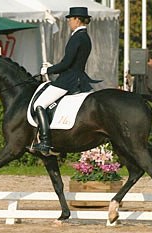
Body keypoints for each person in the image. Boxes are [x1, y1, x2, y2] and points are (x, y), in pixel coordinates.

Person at [30, 7, 100, 155]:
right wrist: (54, 67)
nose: (68, 22)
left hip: (69, 80)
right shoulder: (85, 36)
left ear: (77, 19)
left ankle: (45, 142)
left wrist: (48, 70)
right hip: (78, 77)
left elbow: (67, 63)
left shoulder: (77, 37)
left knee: (39, 104)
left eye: (70, 19)